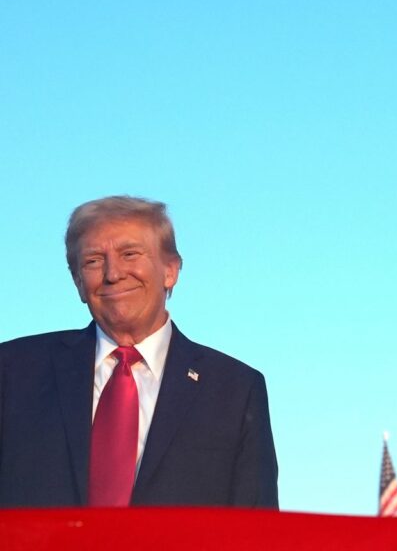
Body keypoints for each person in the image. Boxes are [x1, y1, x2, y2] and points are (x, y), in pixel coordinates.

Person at [0, 196, 278, 508]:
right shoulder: (13, 372)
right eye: (93, 261)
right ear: (78, 282)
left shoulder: (234, 390)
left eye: (130, 254)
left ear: (170, 271)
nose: (113, 273)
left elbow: (256, 526)